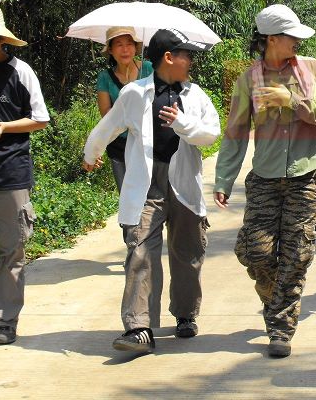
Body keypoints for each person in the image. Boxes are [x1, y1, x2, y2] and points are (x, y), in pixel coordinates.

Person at [83, 28, 219, 354]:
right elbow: (107, 126)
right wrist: (91, 153)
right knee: (140, 249)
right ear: (169, 58)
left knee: (187, 252)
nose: (191, 62)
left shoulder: (195, 95)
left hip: (184, 182)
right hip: (148, 184)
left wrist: (182, 124)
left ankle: (186, 314)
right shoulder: (134, 93)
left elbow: (211, 134)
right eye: (186, 55)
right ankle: (139, 327)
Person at [214, 4, 316, 358]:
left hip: (307, 175)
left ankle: (280, 326)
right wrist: (224, 179)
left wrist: (293, 100)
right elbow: (236, 133)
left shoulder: (311, 69)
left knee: (296, 255)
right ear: (271, 39)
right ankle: (277, 300)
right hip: (265, 178)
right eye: (291, 36)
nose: (297, 41)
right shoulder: (249, 79)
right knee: (255, 253)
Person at [0, 1, 50, 345]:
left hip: (9, 174)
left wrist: (4, 128)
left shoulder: (20, 71)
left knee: (12, 250)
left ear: (1, 41)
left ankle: (5, 319)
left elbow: (40, 118)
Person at [95, 26, 153, 191]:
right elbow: (106, 114)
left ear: (136, 47)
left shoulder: (149, 69)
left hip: (147, 142)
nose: (125, 49)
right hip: (119, 146)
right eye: (119, 44)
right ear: (111, 50)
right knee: (128, 195)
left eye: (129, 43)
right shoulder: (105, 77)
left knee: (151, 197)